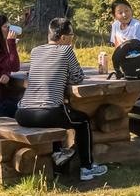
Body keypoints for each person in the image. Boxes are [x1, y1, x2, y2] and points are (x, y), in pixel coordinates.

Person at [15, 17, 107, 182]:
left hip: (23, 113)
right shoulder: (66, 50)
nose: (72, 39)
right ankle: (87, 168)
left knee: (63, 116)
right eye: (71, 35)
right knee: (83, 121)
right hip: (47, 112)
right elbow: (78, 77)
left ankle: (58, 152)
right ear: (63, 37)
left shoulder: (35, 51)